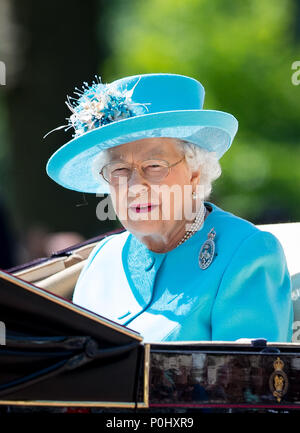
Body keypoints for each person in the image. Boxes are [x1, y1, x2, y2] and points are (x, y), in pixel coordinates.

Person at [46, 73, 293, 342]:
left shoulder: (247, 253)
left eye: (154, 166)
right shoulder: (101, 262)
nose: (134, 186)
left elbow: (248, 380)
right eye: (119, 169)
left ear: (195, 173)